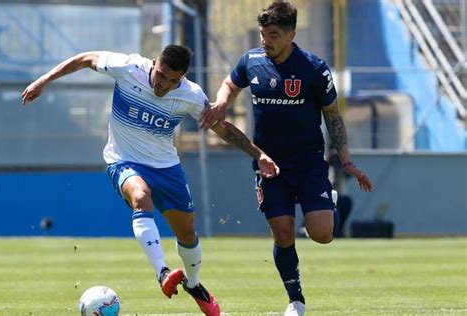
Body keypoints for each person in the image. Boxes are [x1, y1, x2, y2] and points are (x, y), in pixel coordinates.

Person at [21, 45, 280, 316]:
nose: (164, 85)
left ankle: (193, 285)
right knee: (140, 197)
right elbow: (85, 59)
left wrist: (258, 155)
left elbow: (222, 128)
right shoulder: (128, 68)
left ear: (182, 78)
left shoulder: (191, 95)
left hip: (166, 167)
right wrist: (43, 81)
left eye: (173, 80)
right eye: (161, 75)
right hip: (123, 159)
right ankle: (162, 273)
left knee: (188, 234)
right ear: (154, 63)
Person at [199, 2, 372, 315]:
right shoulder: (251, 61)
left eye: (274, 35)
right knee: (282, 231)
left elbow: (332, 115)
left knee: (322, 234)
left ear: (292, 34)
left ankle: (325, 201)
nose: (266, 41)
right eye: (264, 34)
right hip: (269, 163)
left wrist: (346, 161)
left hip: (308, 163)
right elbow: (230, 84)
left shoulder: (314, 68)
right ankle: (296, 301)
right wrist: (222, 103)